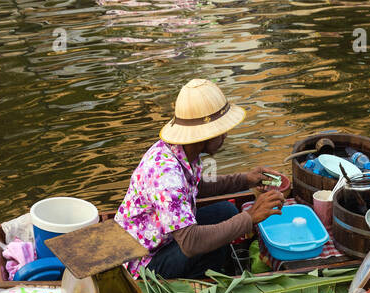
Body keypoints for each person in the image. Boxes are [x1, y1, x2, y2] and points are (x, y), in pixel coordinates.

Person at [115, 78, 285, 280]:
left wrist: (245, 179)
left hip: (164, 236)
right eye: (221, 131)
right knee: (215, 241)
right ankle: (203, 278)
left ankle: (214, 267)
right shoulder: (165, 174)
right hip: (143, 262)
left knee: (227, 212)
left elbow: (196, 187)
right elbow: (190, 242)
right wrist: (249, 217)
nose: (225, 136)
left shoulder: (183, 151)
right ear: (204, 134)